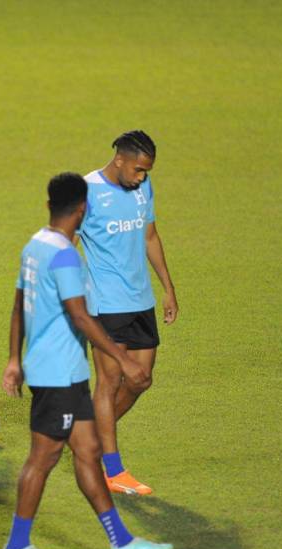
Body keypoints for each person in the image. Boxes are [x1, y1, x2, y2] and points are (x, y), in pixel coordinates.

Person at [1, 173, 173, 549]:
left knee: (89, 451)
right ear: (83, 209)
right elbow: (81, 316)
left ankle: (122, 541)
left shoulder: (35, 245)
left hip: (67, 374)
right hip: (57, 374)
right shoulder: (65, 255)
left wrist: (14, 359)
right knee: (42, 459)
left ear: (49, 205)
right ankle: (17, 545)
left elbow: (17, 304)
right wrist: (124, 358)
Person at [78, 131, 179, 495]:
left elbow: (150, 237)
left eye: (146, 172)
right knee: (109, 382)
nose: (141, 177)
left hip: (141, 301)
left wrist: (167, 287)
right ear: (119, 159)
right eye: (138, 169)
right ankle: (112, 469)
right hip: (104, 304)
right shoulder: (86, 192)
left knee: (140, 380)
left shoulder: (142, 188)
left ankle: (86, 435)